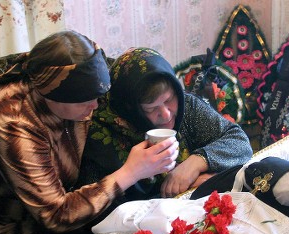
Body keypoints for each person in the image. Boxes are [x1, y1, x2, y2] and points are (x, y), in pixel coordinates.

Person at [0, 31, 178, 234]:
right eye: (86, 101)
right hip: (7, 229)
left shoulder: (78, 78)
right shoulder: (12, 123)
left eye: (99, 95)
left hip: (65, 204)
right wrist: (130, 172)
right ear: (51, 96)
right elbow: (55, 214)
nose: (97, 106)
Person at [77, 47, 252, 204]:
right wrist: (187, 186)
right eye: (151, 109)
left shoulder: (187, 106)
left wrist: (196, 163)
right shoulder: (101, 134)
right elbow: (102, 208)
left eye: (169, 100)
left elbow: (239, 141)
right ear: (130, 110)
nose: (166, 114)